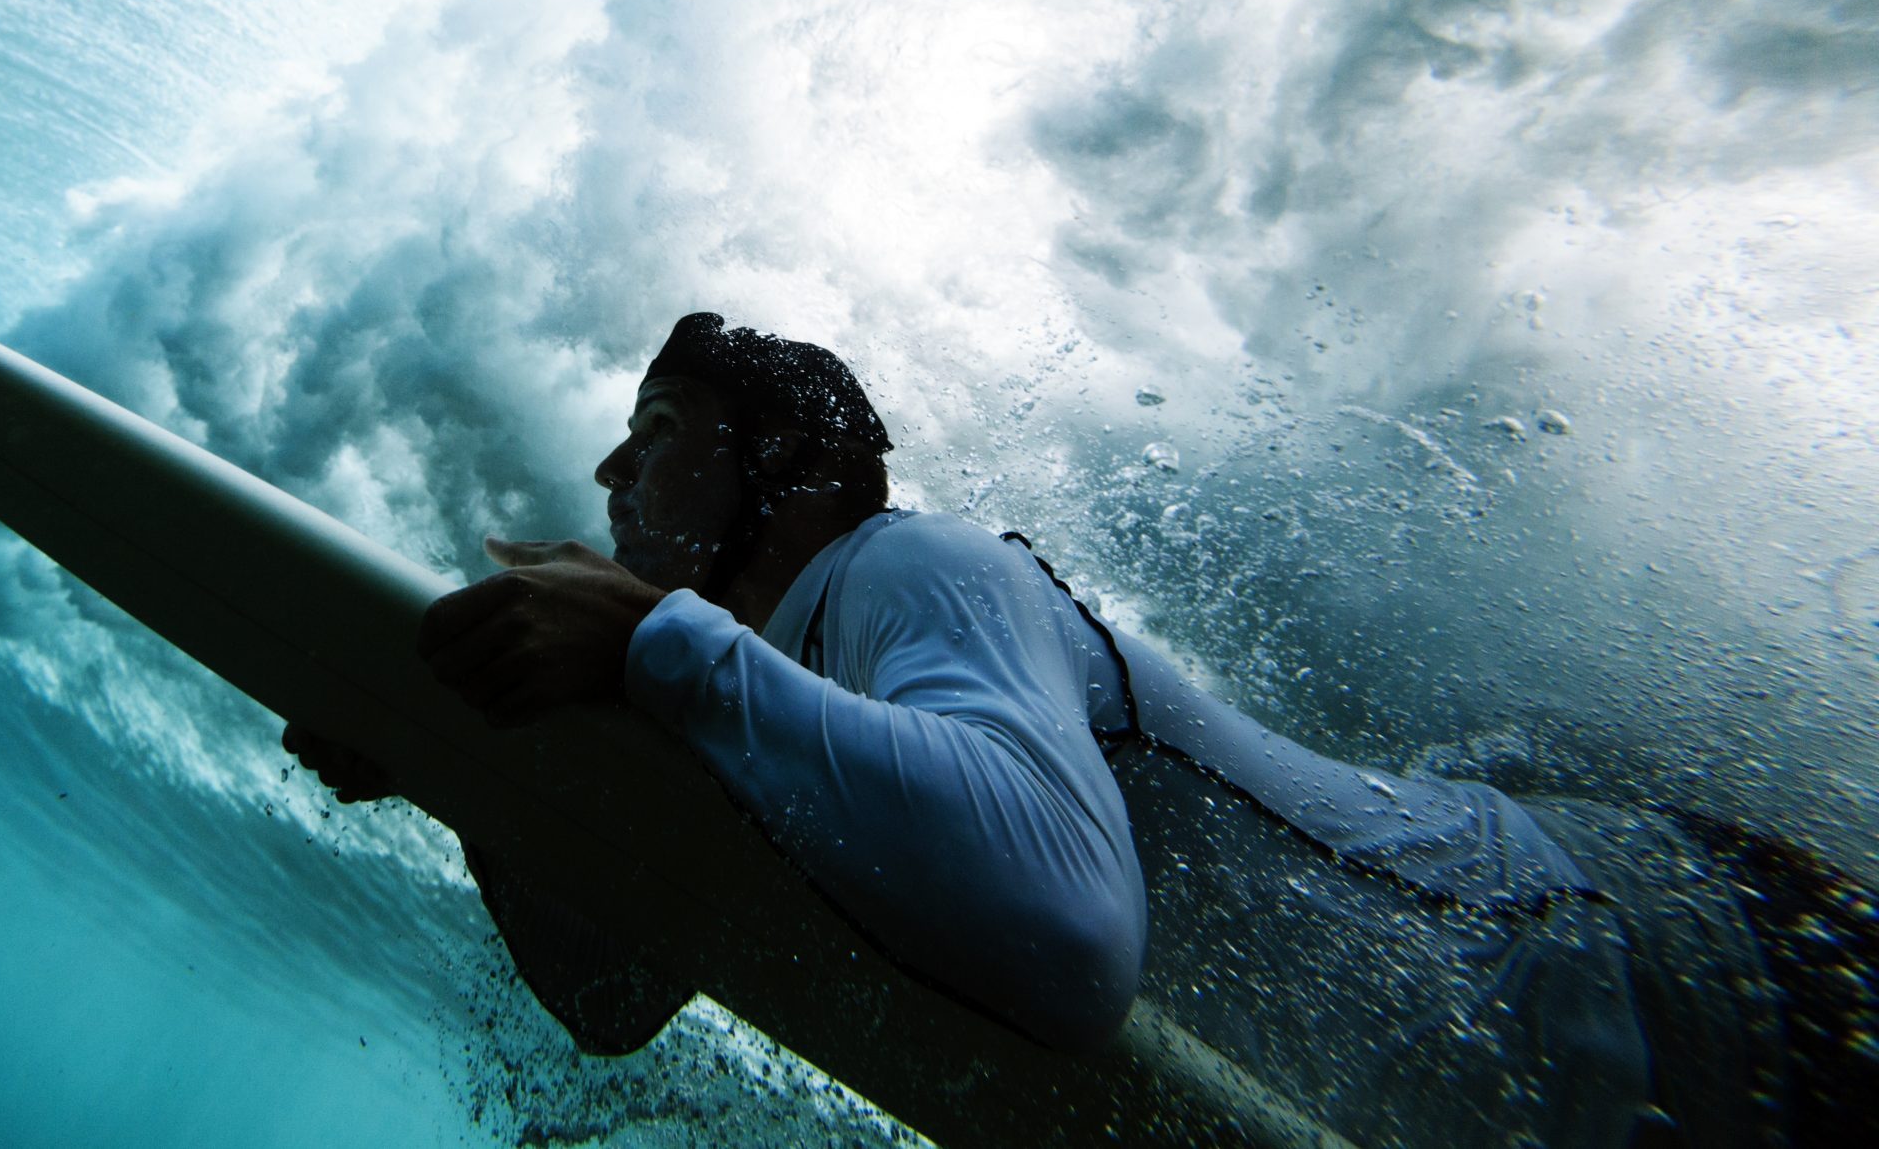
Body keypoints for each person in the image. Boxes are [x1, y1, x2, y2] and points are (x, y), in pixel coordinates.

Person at [284, 313, 1876, 1146]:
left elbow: (1064, 934)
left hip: (1662, 964)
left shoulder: (905, 568)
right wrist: (477, 781)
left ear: (794, 467)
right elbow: (619, 996)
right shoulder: (772, 717)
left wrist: (655, 643)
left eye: (654, 438)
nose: (611, 481)